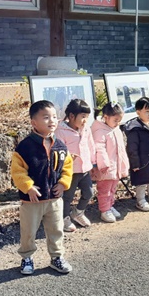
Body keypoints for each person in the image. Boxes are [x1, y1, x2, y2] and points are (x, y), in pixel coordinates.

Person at [11, 100, 73, 275]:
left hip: (54, 199)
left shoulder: (60, 146)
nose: (52, 120)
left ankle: (57, 257)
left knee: (56, 229)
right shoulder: (24, 147)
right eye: (46, 117)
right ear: (34, 123)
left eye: (54, 116)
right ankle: (27, 257)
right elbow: (17, 171)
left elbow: (67, 167)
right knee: (28, 231)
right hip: (32, 200)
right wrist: (28, 186)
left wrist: (63, 184)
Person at [55, 99, 95, 232]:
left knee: (89, 192)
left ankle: (78, 212)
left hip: (84, 168)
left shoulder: (86, 129)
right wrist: (66, 159)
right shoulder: (60, 131)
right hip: (69, 171)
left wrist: (93, 162)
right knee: (67, 196)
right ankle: (64, 218)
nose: (85, 120)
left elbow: (90, 145)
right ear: (72, 116)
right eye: (83, 117)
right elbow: (59, 149)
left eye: (87, 117)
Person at [91, 102, 130, 223]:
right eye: (116, 120)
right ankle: (104, 210)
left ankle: (110, 205)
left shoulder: (115, 129)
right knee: (105, 190)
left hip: (116, 166)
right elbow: (99, 149)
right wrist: (103, 164)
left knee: (113, 188)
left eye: (120, 120)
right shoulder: (100, 131)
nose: (118, 122)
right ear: (106, 117)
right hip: (106, 168)